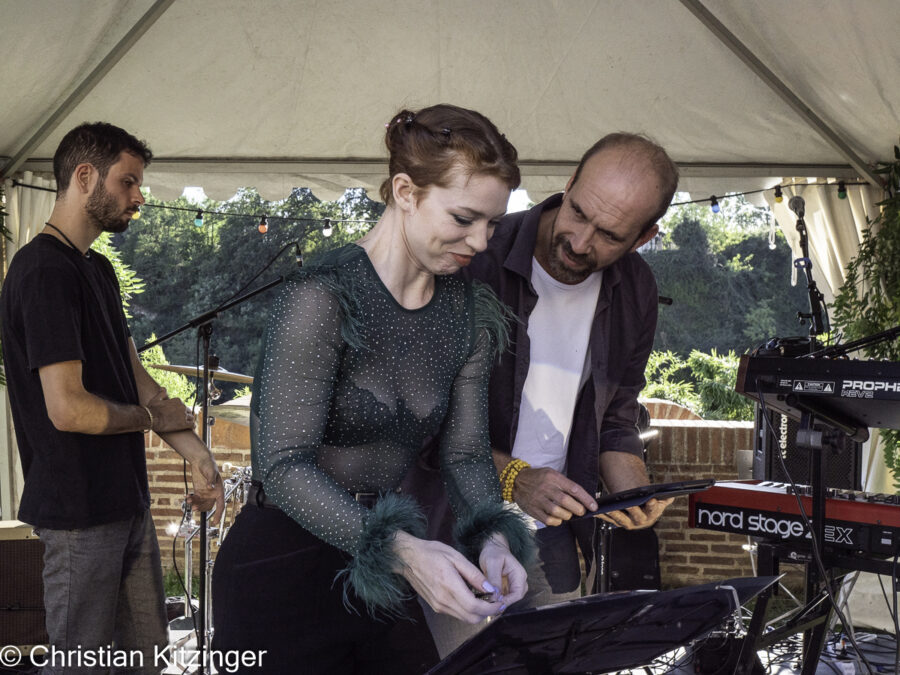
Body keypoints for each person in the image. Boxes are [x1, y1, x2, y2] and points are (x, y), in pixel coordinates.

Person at [211, 104, 534, 674]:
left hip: (383, 567)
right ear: (405, 192)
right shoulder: (321, 296)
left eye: (492, 224)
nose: (482, 241)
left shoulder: (469, 313)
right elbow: (282, 465)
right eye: (464, 218)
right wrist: (405, 551)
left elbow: (464, 455)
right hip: (281, 566)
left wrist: (493, 538)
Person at [411, 132, 681, 656]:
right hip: (454, 521)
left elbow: (617, 415)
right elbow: (420, 419)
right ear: (569, 183)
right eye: (578, 213)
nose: (580, 242)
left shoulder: (637, 289)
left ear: (644, 236)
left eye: (609, 235)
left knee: (557, 662)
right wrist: (515, 478)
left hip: (553, 531)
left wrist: (633, 493)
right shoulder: (476, 256)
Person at [0, 122, 225, 673]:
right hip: (77, 516)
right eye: (128, 181)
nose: (138, 196)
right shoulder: (42, 271)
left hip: (127, 506)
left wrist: (199, 457)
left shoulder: (97, 269)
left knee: (145, 661)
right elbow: (68, 408)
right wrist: (149, 418)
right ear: (84, 177)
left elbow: (137, 379)